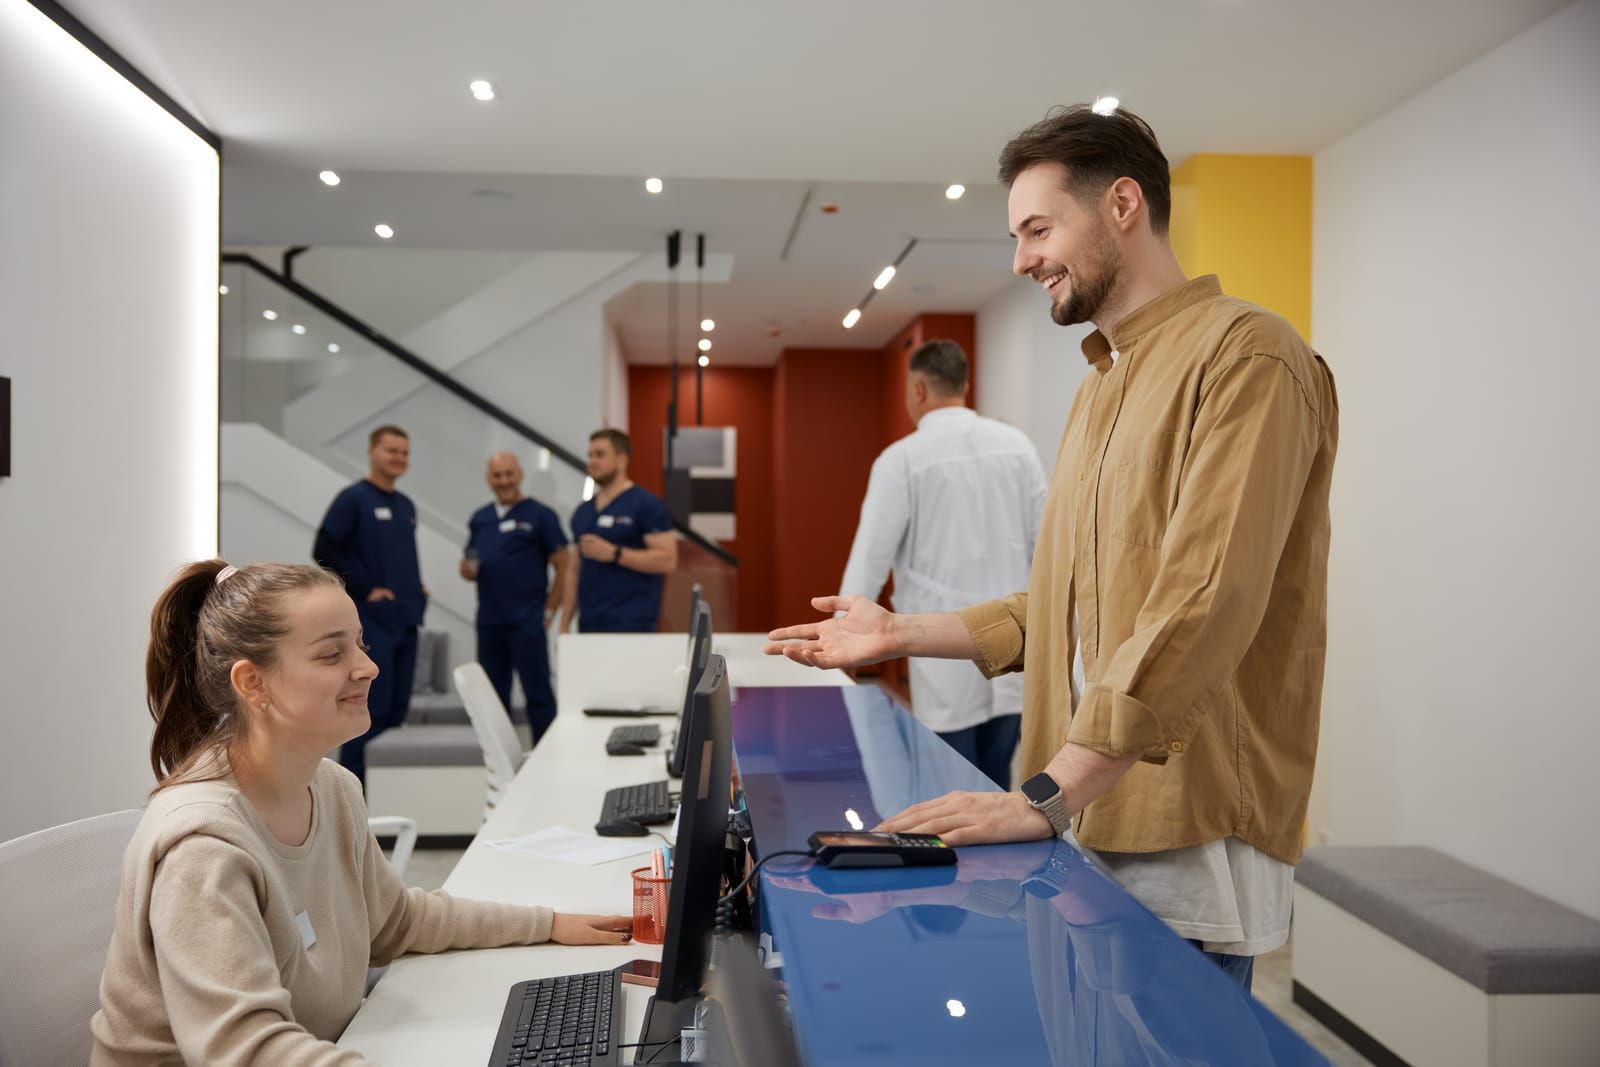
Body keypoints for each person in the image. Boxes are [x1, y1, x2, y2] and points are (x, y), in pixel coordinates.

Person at [768, 103, 1339, 990]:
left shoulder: (1249, 356)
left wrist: (1040, 795)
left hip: (1182, 825)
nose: (1021, 258)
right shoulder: (1102, 386)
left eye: (1037, 228)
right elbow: (1070, 605)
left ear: (1120, 205)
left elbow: (1203, 603)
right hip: (1085, 810)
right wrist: (899, 633)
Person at [90, 560, 632, 1064]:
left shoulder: (331, 788)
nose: (369, 667)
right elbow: (246, 1051)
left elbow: (395, 922)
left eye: (360, 645)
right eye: (333, 655)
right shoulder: (203, 848)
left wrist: (548, 924)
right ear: (252, 682)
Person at [838, 339, 1046, 788]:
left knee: (947, 793)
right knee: (998, 790)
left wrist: (841, 641)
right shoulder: (1018, 447)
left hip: (942, 656)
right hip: (1014, 648)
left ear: (917, 389)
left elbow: (868, 562)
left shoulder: (902, 460)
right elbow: (1049, 545)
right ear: (965, 385)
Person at [311, 425, 425, 786]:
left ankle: (386, 797)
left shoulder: (406, 505)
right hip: (374, 624)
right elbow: (324, 550)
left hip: (406, 619)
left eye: (404, 452)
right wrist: (366, 589)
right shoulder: (353, 499)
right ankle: (353, 798)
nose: (399, 458)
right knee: (366, 712)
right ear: (373, 452)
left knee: (395, 713)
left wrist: (416, 588)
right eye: (392, 450)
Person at [460, 452, 571, 743]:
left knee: (539, 696)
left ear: (520, 475)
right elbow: (471, 560)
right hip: (490, 622)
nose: (504, 481)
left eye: (509, 473)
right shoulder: (480, 519)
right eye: (497, 475)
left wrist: (550, 610)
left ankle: (549, 758)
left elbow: (563, 563)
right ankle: (501, 763)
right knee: (493, 699)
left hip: (528, 622)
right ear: (489, 479)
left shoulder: (540, 515)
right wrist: (468, 570)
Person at [569, 429, 678, 632]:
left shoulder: (646, 505)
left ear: (621, 460)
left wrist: (615, 554)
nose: (592, 461)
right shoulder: (583, 512)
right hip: (589, 626)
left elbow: (667, 560)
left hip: (633, 626)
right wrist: (564, 625)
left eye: (600, 454)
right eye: (590, 455)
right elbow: (573, 571)